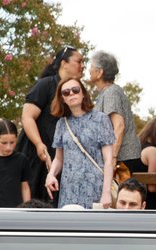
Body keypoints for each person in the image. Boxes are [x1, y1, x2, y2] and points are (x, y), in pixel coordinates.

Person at [18, 45, 84, 204]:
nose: (83, 66)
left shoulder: (78, 91)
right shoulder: (45, 85)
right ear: (64, 63)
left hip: (61, 160)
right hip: (36, 157)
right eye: (79, 61)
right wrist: (39, 144)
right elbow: (27, 117)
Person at [46, 77, 115, 209]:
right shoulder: (61, 123)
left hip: (95, 187)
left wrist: (106, 192)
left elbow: (108, 160)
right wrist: (51, 174)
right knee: (69, 227)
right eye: (66, 92)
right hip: (69, 189)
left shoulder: (101, 119)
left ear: (83, 93)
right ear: (62, 99)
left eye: (75, 90)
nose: (71, 93)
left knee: (93, 227)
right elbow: (59, 158)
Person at [88, 51, 141, 167]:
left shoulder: (111, 93)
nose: (89, 70)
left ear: (100, 72)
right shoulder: (105, 93)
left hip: (123, 160)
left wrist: (112, 157)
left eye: (91, 66)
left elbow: (119, 126)